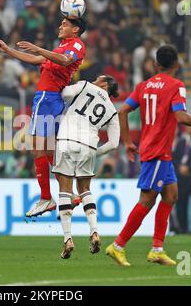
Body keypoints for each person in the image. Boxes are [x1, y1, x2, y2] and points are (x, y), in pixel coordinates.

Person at [105, 45, 191, 267]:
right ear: (177, 65)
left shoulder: (143, 86)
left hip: (159, 152)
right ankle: (118, 245)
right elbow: (180, 116)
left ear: (156, 65)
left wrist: (128, 142)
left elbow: (122, 111)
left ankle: (157, 249)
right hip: (157, 151)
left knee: (171, 196)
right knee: (147, 200)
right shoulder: (176, 85)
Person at [0, 17, 87, 217]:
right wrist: (8, 50)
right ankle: (68, 192)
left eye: (65, 24)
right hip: (50, 99)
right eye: (60, 23)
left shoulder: (76, 45)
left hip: (47, 97)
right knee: (49, 151)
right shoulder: (61, 47)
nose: (60, 26)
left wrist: (38, 48)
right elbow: (37, 60)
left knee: (37, 149)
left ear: (76, 29)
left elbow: (64, 60)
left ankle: (46, 198)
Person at [52, 75, 120, 259]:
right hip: (89, 145)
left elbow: (64, 93)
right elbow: (114, 143)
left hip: (67, 139)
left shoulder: (85, 86)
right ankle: (94, 231)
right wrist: (95, 152)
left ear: (105, 83)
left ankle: (67, 239)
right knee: (85, 189)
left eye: (99, 78)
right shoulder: (113, 110)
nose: (95, 79)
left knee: (65, 190)